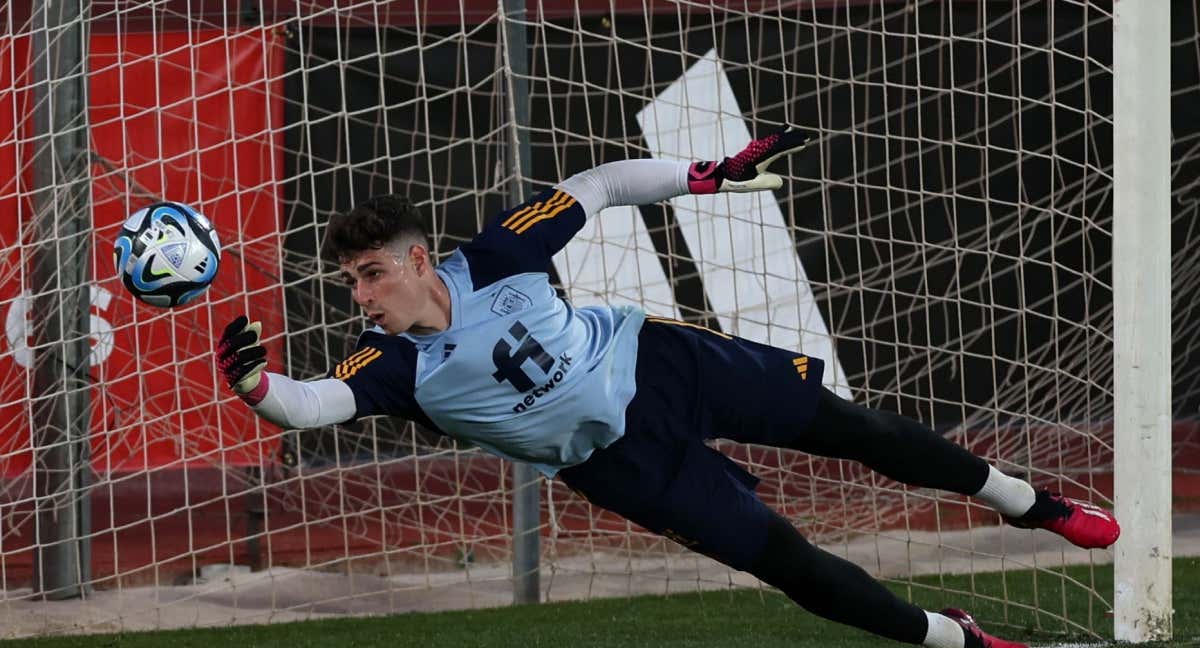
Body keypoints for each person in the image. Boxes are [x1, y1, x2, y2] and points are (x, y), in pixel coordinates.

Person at [216, 127, 1120, 648]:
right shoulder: (390, 367)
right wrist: (255, 384)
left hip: (663, 365)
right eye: (351, 284)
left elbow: (599, 185)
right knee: (787, 563)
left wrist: (704, 176)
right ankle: (957, 640)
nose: (362, 296)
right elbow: (307, 403)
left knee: (860, 432)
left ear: (419, 259)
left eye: (371, 273)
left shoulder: (500, 252)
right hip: (620, 463)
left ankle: (1032, 505)